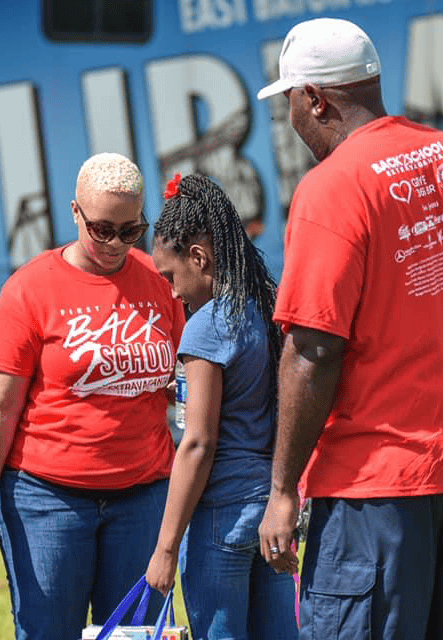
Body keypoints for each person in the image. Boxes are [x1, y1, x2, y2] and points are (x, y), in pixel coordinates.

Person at [255, 17, 443, 639]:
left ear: (315, 98)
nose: (292, 123)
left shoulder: (331, 189)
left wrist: (281, 491)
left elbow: (311, 348)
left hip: (378, 488)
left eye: (290, 106)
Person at [0, 152, 186, 640]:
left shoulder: (160, 283)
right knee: (48, 632)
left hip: (143, 497)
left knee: (132, 634)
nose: (115, 244)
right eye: (102, 228)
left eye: (130, 231)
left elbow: (183, 381)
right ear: (75, 213)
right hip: (47, 500)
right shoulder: (29, 290)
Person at [145, 174, 297, 640]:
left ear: (199, 256)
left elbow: (197, 442)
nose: (171, 292)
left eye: (170, 276)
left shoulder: (206, 327)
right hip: (268, 513)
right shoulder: (267, 307)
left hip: (220, 520)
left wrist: (166, 547)